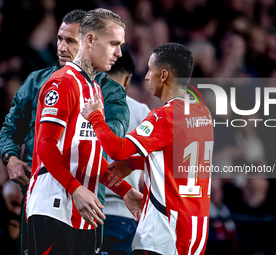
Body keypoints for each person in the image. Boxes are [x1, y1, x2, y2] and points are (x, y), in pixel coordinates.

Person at [0, 9, 130, 254]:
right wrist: (11, 157)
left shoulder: (101, 91)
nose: (61, 47)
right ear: (91, 41)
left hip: (86, 204)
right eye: (60, 38)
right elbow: (39, 143)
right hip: (53, 200)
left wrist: (126, 191)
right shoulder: (54, 82)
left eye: (69, 40)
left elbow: (97, 151)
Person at [81, 43, 214, 255]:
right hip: (194, 233)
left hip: (162, 234)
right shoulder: (202, 114)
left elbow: (118, 149)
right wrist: (133, 164)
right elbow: (177, 160)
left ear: (163, 75)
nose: (145, 77)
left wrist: (95, 116)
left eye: (150, 70)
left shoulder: (165, 116)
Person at [102, 49, 150, 255]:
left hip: (80, 210)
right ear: (128, 79)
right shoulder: (142, 113)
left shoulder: (80, 109)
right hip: (124, 215)